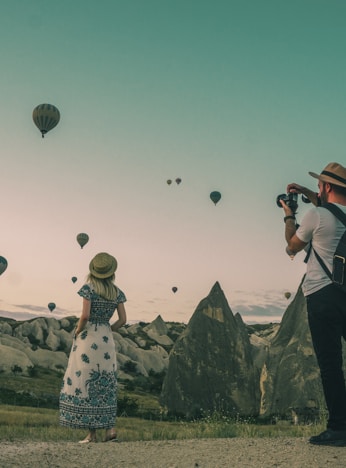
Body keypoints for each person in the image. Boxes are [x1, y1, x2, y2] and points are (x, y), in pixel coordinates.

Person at [280, 162, 346, 446]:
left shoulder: (316, 215)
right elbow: (331, 207)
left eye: (320, 185)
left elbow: (292, 246)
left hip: (321, 296)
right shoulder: (335, 215)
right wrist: (307, 190)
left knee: (331, 364)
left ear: (327, 187)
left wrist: (289, 216)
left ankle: (339, 428)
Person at [59, 252, 127, 443]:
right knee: (107, 381)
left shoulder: (88, 289)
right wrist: (108, 329)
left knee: (87, 380)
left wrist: (77, 331)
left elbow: (85, 316)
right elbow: (123, 320)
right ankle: (110, 429)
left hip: (88, 339)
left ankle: (92, 434)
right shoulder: (117, 292)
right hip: (106, 339)